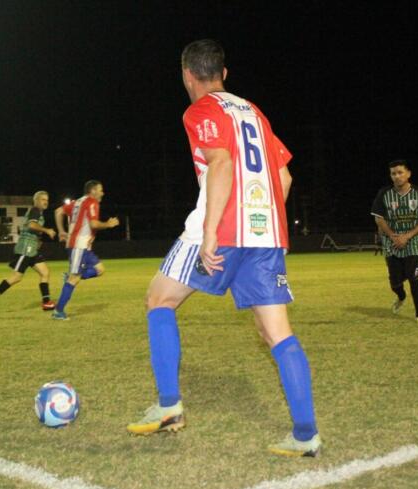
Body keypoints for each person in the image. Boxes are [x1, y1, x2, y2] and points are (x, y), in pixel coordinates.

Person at [126, 39, 321, 458]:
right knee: (276, 332)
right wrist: (260, 220)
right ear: (225, 74)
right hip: (265, 232)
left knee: (158, 300)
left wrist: (212, 229)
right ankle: (306, 435)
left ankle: (168, 407)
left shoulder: (199, 111)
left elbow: (220, 162)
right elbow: (284, 178)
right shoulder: (253, 111)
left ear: (187, 75)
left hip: (222, 226)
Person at [371, 160, 418, 326]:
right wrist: (392, 235)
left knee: (413, 276)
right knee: (395, 282)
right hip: (391, 240)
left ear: (408, 173)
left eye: (400, 172)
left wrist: (407, 236)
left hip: (414, 240)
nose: (397, 176)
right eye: (393, 173)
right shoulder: (384, 193)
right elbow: (379, 218)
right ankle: (401, 296)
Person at [51, 180, 119, 320]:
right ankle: (58, 311)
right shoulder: (92, 202)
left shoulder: (77, 202)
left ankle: (70, 277)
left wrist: (61, 231)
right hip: (78, 246)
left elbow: (58, 212)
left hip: (83, 247)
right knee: (74, 279)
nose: (102, 193)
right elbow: (94, 224)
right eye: (100, 190)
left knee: (99, 269)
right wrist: (108, 224)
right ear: (92, 191)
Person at [0, 191, 56, 314]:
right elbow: (32, 225)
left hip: (32, 249)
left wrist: (38, 240)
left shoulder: (39, 213)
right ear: (36, 201)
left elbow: (32, 228)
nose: (46, 202)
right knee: (17, 277)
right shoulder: (35, 210)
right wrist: (46, 230)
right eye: (43, 199)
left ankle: (46, 302)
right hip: (25, 248)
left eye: (47, 200)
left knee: (45, 272)